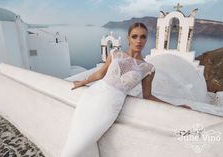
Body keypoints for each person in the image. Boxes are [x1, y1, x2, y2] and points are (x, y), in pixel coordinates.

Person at [60, 22, 184, 157]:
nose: (138, 41)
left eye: (143, 37)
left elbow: (147, 96)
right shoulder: (115, 53)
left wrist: (175, 106)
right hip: (92, 97)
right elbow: (100, 74)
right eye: (134, 36)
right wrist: (83, 82)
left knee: (83, 143)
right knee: (75, 139)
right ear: (128, 38)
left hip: (110, 107)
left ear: (146, 39)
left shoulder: (148, 68)